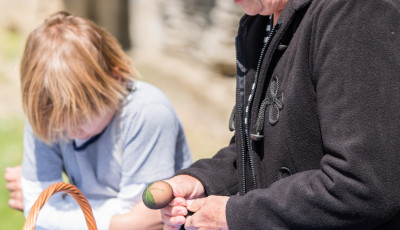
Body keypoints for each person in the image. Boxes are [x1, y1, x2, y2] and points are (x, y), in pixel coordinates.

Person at [161, 0, 400, 229]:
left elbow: (363, 184)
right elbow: (263, 150)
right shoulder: (262, 20)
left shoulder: (356, 12)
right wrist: (203, 181)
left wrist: (236, 215)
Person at [11, 11, 193, 230]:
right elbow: (38, 210)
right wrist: (121, 223)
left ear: (115, 78)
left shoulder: (147, 112)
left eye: (82, 115)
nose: (69, 132)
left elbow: (147, 223)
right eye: (58, 124)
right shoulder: (45, 114)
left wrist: (60, 208)